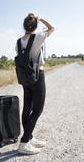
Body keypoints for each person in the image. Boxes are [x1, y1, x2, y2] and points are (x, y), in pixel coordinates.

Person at [15, 13, 55, 155]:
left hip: (24, 78)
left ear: (24, 26)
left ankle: (29, 138)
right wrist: (40, 17)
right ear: (36, 26)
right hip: (37, 76)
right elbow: (52, 28)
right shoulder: (38, 37)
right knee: (37, 110)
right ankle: (24, 143)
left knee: (27, 109)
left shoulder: (18, 42)